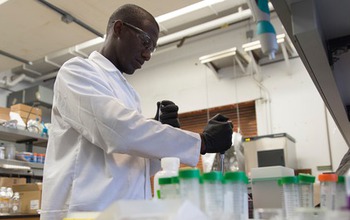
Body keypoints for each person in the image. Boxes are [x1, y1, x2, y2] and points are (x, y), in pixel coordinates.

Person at [40, 4, 233, 220]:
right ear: (119, 29)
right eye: (145, 42)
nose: (148, 55)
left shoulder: (130, 95)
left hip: (129, 212)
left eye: (152, 48)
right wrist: (202, 142)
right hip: (84, 212)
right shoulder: (77, 71)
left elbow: (138, 166)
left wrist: (160, 132)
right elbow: (117, 130)